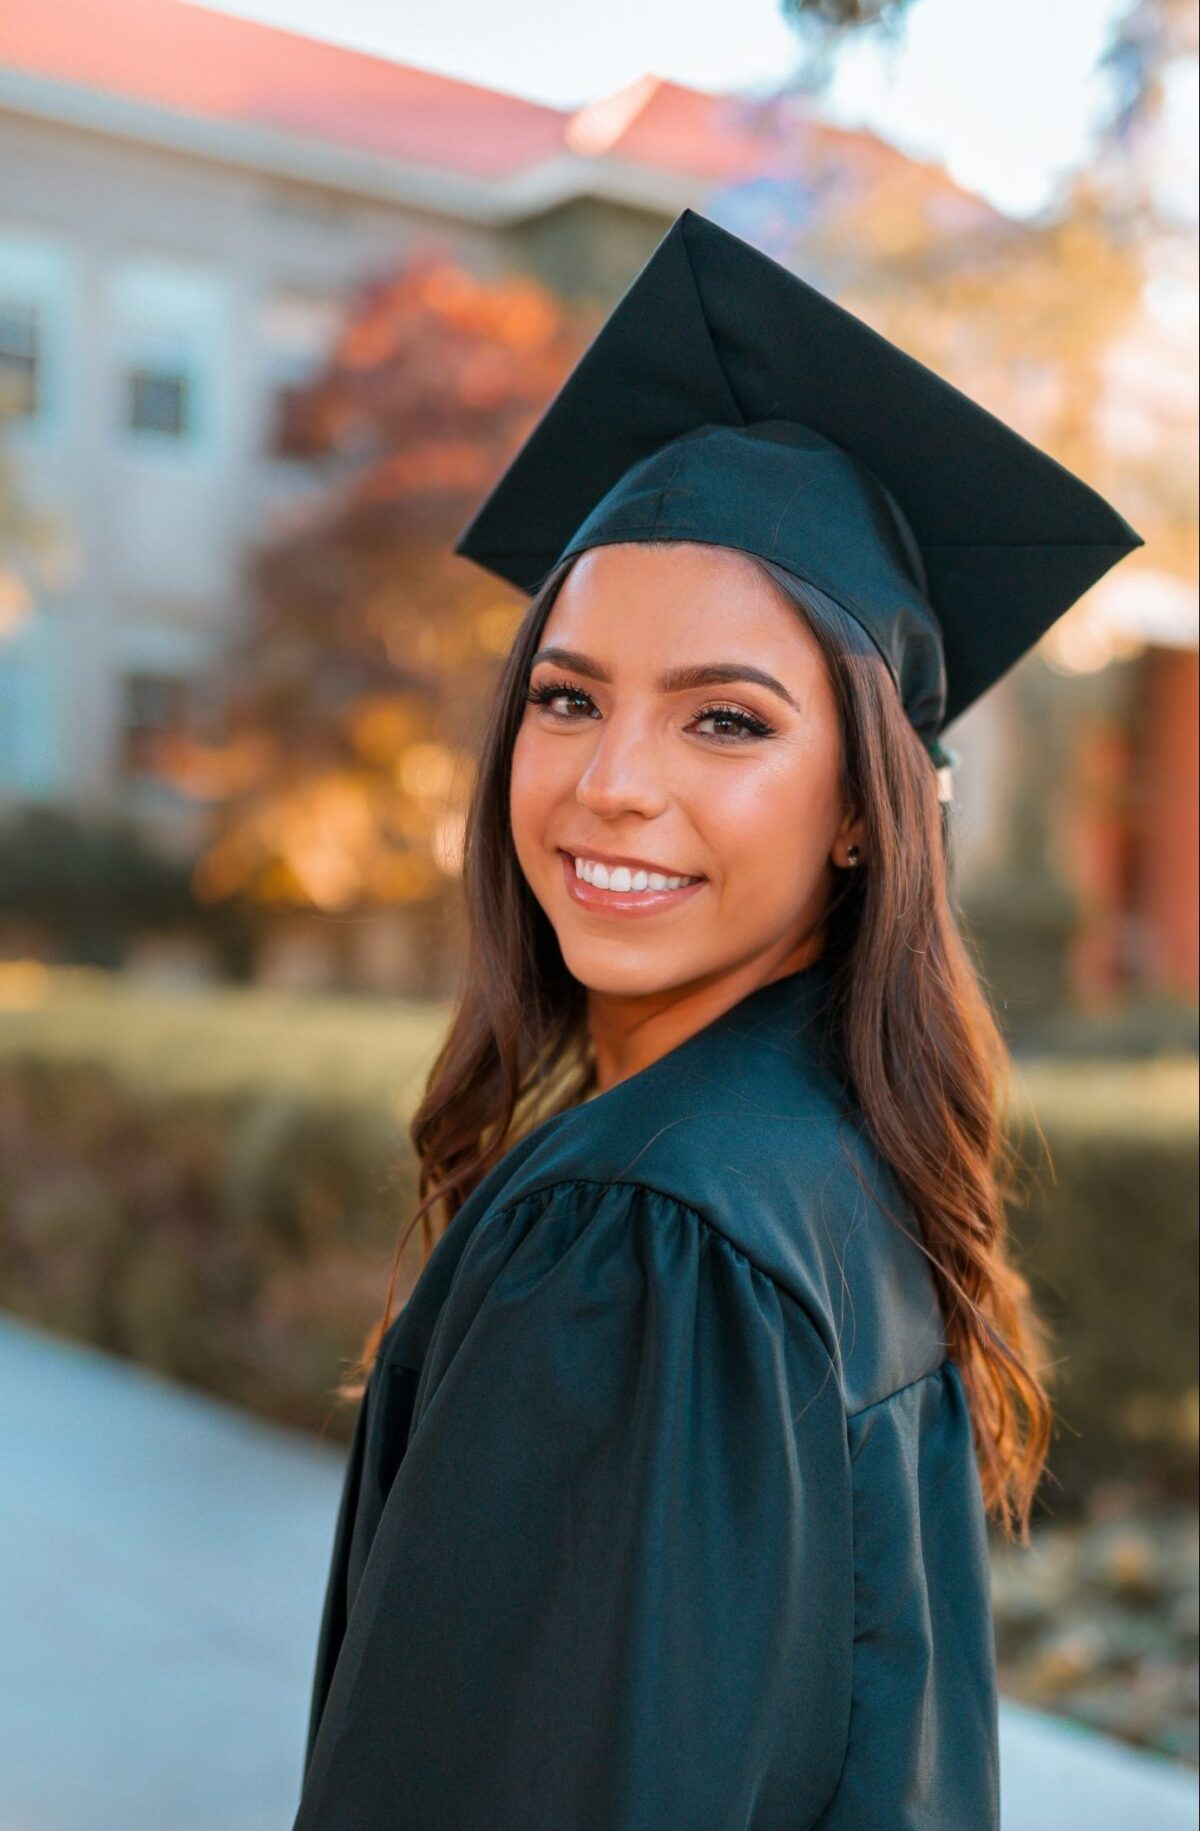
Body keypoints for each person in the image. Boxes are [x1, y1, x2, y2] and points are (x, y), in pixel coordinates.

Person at [291, 208, 1143, 1830]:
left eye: (727, 720)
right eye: (568, 694)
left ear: (859, 810)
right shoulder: (832, 1164)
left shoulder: (645, 1237)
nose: (613, 783)